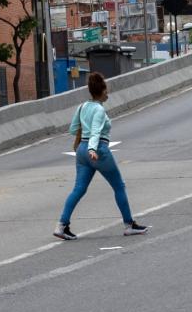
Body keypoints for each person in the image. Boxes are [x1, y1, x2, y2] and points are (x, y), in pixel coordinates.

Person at [54, 72, 149, 240]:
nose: (108, 93)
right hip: (97, 150)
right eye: (106, 90)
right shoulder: (99, 109)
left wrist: (84, 144)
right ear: (101, 90)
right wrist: (92, 149)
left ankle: (61, 226)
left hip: (82, 151)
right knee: (119, 186)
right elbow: (96, 131)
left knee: (79, 189)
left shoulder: (82, 107)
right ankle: (129, 225)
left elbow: (72, 129)